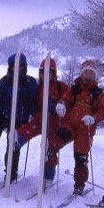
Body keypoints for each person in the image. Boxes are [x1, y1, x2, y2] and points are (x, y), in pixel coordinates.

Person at [49, 60, 104, 195]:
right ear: (82, 73)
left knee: (80, 157)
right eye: (86, 72)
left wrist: (93, 118)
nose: (88, 75)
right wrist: (61, 104)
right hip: (70, 123)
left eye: (91, 73)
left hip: (85, 129)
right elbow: (65, 99)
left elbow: (102, 111)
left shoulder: (97, 93)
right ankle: (49, 162)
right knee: (58, 138)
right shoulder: (74, 88)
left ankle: (79, 185)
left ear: (94, 75)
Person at [14, 57, 69, 188]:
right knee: (21, 133)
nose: (45, 75)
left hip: (54, 122)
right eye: (42, 72)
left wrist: (57, 105)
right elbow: (32, 102)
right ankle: (15, 143)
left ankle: (48, 177)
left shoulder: (61, 87)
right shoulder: (38, 87)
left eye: (48, 72)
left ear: (53, 73)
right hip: (39, 119)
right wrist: (31, 108)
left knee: (49, 148)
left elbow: (68, 100)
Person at [0, 52, 37, 183]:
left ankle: (11, 172)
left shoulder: (30, 82)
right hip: (3, 112)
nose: (17, 69)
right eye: (14, 66)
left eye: (20, 66)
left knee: (13, 144)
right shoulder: (5, 80)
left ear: (24, 67)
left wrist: (31, 111)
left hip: (20, 117)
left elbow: (35, 101)